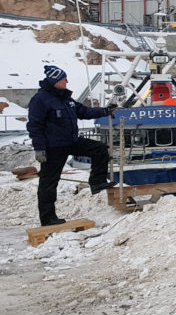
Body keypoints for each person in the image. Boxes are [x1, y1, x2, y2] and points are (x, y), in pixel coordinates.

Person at [27, 65, 117, 226]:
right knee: (49, 182)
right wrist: (39, 148)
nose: (67, 81)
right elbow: (35, 126)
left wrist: (104, 111)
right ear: (55, 81)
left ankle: (97, 182)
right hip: (53, 147)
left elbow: (84, 112)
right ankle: (48, 218)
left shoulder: (66, 98)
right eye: (63, 79)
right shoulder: (40, 100)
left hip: (71, 142)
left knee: (100, 149)